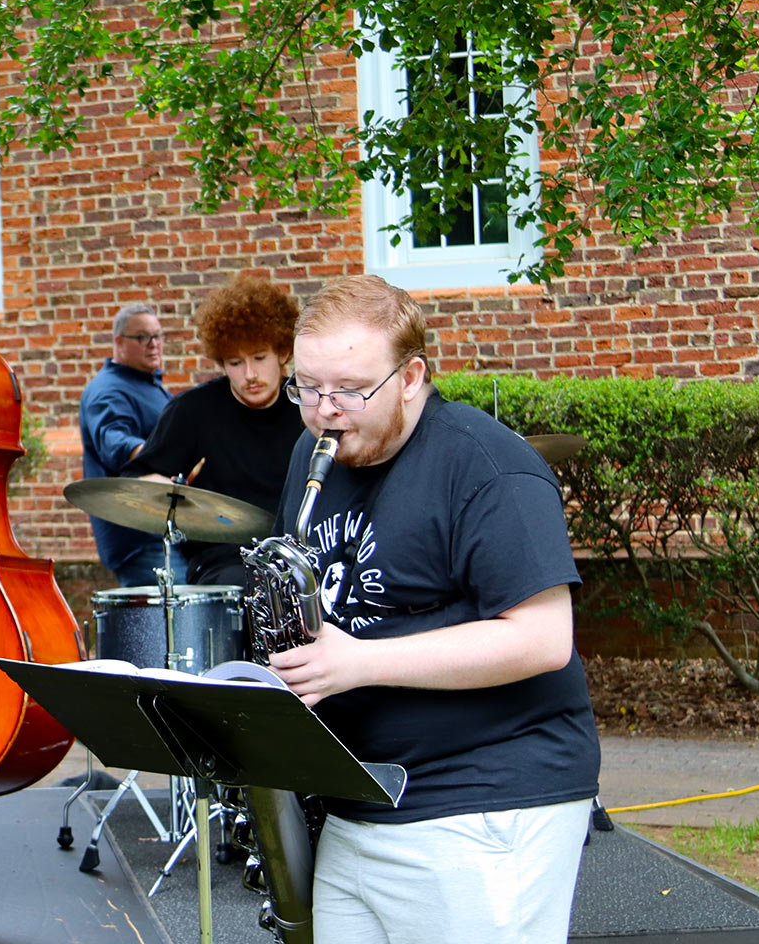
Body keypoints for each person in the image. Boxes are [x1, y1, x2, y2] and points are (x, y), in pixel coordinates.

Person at [265, 275, 600, 943]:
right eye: (305, 388)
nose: (325, 410)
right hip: (361, 798)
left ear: (412, 375)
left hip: (484, 801)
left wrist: (356, 663)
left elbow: (542, 639)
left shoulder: (486, 466)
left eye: (351, 390)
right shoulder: (315, 449)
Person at [130, 275, 304, 593]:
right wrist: (165, 491)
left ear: (282, 352)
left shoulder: (309, 407)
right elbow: (137, 482)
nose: (249, 374)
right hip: (224, 564)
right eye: (235, 362)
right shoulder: (192, 410)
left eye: (259, 358)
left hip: (301, 558)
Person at [77, 304, 178, 586]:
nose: (154, 344)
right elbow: (116, 444)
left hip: (163, 533)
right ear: (119, 342)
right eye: (143, 337)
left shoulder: (146, 384)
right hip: (141, 541)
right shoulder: (108, 389)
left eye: (158, 336)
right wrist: (170, 459)